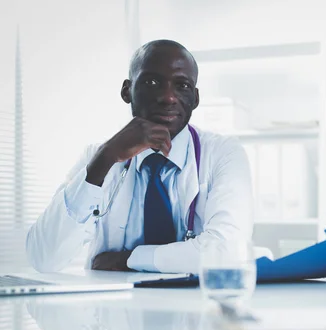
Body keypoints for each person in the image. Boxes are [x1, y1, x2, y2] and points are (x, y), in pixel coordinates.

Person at [26, 40, 253, 274]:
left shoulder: (223, 154)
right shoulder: (99, 158)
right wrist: (104, 159)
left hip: (194, 307)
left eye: (182, 86)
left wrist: (129, 259)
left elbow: (228, 252)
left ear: (195, 99)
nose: (168, 98)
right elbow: (43, 257)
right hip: (114, 308)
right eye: (152, 82)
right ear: (127, 91)